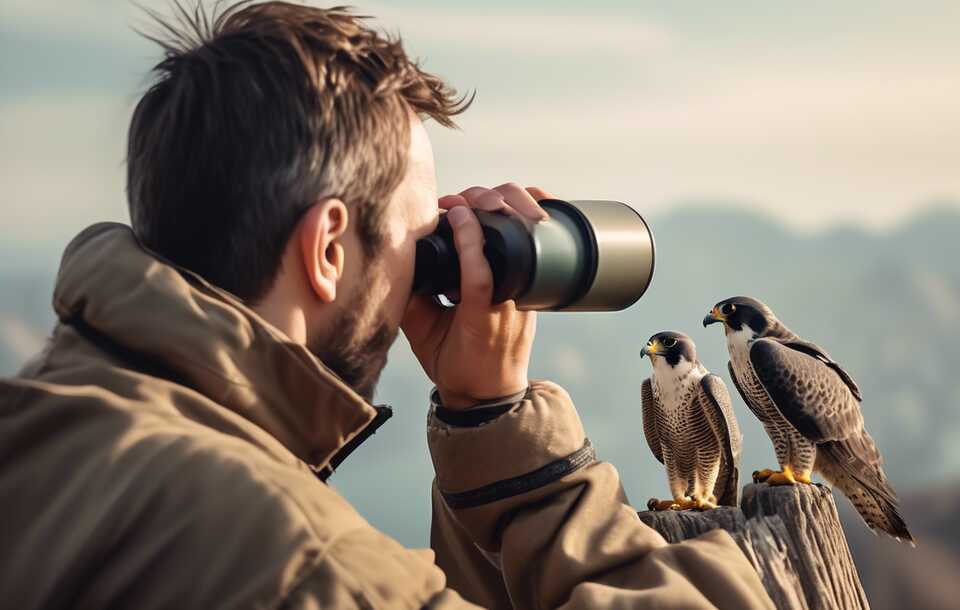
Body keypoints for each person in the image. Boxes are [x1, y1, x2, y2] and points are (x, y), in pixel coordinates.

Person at [0, 2, 773, 608]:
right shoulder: (307, 568)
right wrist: (531, 462)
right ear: (328, 249)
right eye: (421, 238)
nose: (428, 275)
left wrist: (478, 419)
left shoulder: (37, 431)